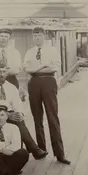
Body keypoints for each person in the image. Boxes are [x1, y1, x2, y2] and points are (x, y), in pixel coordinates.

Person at [23, 26, 70, 164]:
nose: (37, 38)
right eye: (34, 36)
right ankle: (41, 149)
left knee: (52, 117)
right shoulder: (29, 52)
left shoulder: (52, 50)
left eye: (39, 35)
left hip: (49, 82)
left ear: (44, 36)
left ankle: (59, 153)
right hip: (34, 83)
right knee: (37, 117)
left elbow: (54, 67)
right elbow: (26, 68)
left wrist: (35, 69)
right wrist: (42, 66)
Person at [0, 62, 48, 160]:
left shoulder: (11, 87)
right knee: (17, 122)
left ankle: (25, 150)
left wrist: (20, 113)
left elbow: (17, 103)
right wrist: (7, 115)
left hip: (11, 114)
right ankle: (34, 149)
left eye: (3, 71)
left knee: (19, 119)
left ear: (7, 73)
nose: (1, 74)